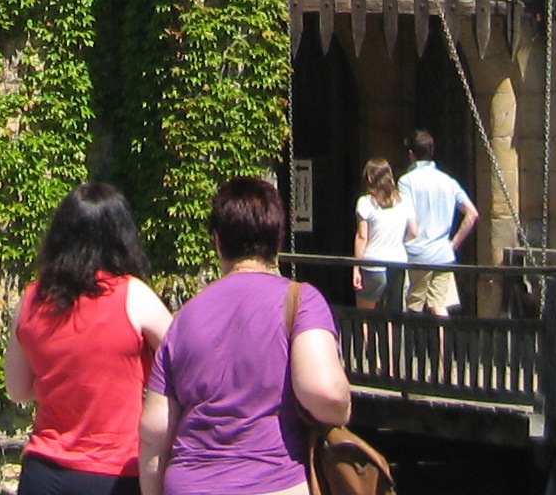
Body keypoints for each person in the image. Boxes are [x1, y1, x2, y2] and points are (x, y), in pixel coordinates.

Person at [140, 173, 353, 495]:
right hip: (273, 482)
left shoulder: (183, 318)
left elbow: (154, 432)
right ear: (277, 239)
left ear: (217, 240)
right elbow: (326, 393)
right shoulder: (301, 301)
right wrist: (343, 410)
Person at [9, 183, 174, 495]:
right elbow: (186, 362)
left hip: (43, 474)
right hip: (113, 474)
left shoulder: (31, 297)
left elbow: (16, 389)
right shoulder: (133, 295)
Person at [394, 130, 478, 317]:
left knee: (414, 305)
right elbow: (472, 213)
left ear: (411, 155)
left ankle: (414, 345)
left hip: (418, 253)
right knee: (439, 305)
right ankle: (442, 346)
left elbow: (409, 219)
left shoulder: (406, 182)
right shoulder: (448, 181)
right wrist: (453, 243)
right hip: (443, 254)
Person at [350, 160, 409, 314]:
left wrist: (356, 266)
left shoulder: (365, 202)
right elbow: (414, 231)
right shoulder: (403, 200)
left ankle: (367, 339)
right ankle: (389, 339)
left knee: (365, 313)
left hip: (373, 263)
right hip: (398, 262)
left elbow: (362, 236)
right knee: (391, 314)